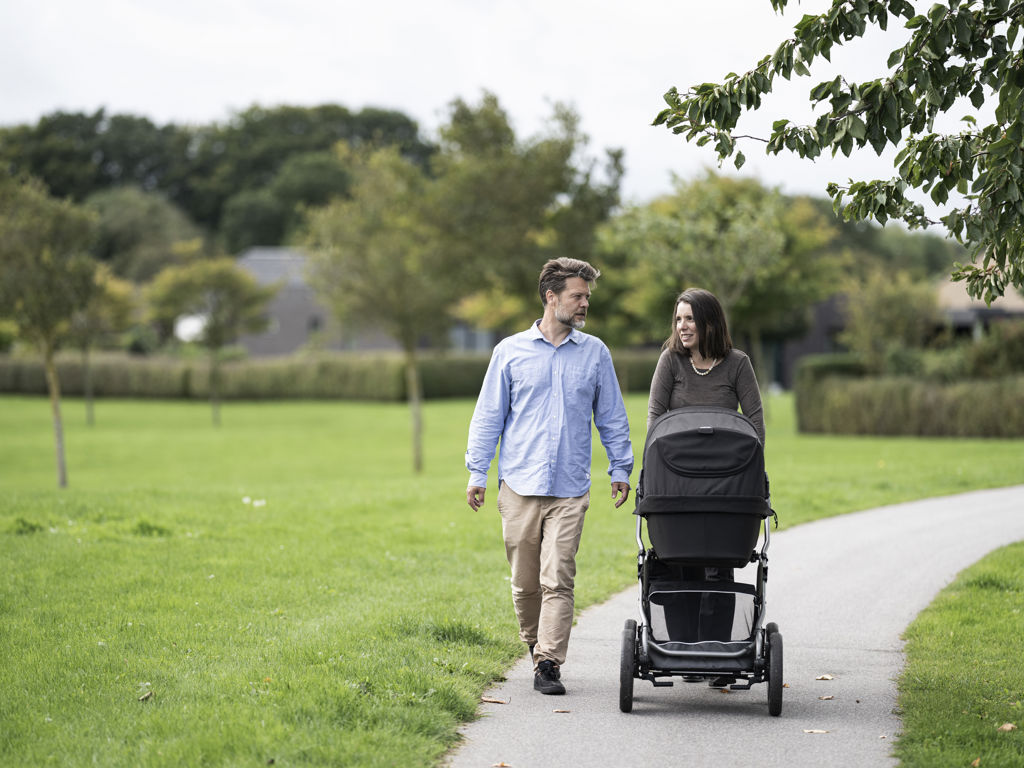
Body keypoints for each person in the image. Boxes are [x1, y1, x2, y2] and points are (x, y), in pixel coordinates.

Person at [465, 257, 633, 696]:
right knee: (525, 584)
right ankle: (534, 644)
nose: (584, 305)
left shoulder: (595, 353)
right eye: (578, 296)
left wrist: (620, 467)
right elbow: (488, 417)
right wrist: (477, 472)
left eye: (587, 298)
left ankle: (548, 663)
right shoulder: (509, 351)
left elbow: (612, 417)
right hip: (518, 485)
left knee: (557, 577)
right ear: (551, 297)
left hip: (570, 486)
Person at [646, 288, 764, 675]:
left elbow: (755, 426)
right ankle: (682, 650)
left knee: (718, 567)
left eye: (690, 319)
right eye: (678, 319)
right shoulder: (671, 362)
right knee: (681, 563)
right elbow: (655, 420)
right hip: (678, 481)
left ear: (710, 322)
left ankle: (717, 656)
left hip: (723, 482)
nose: (682, 327)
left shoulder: (737, 364)